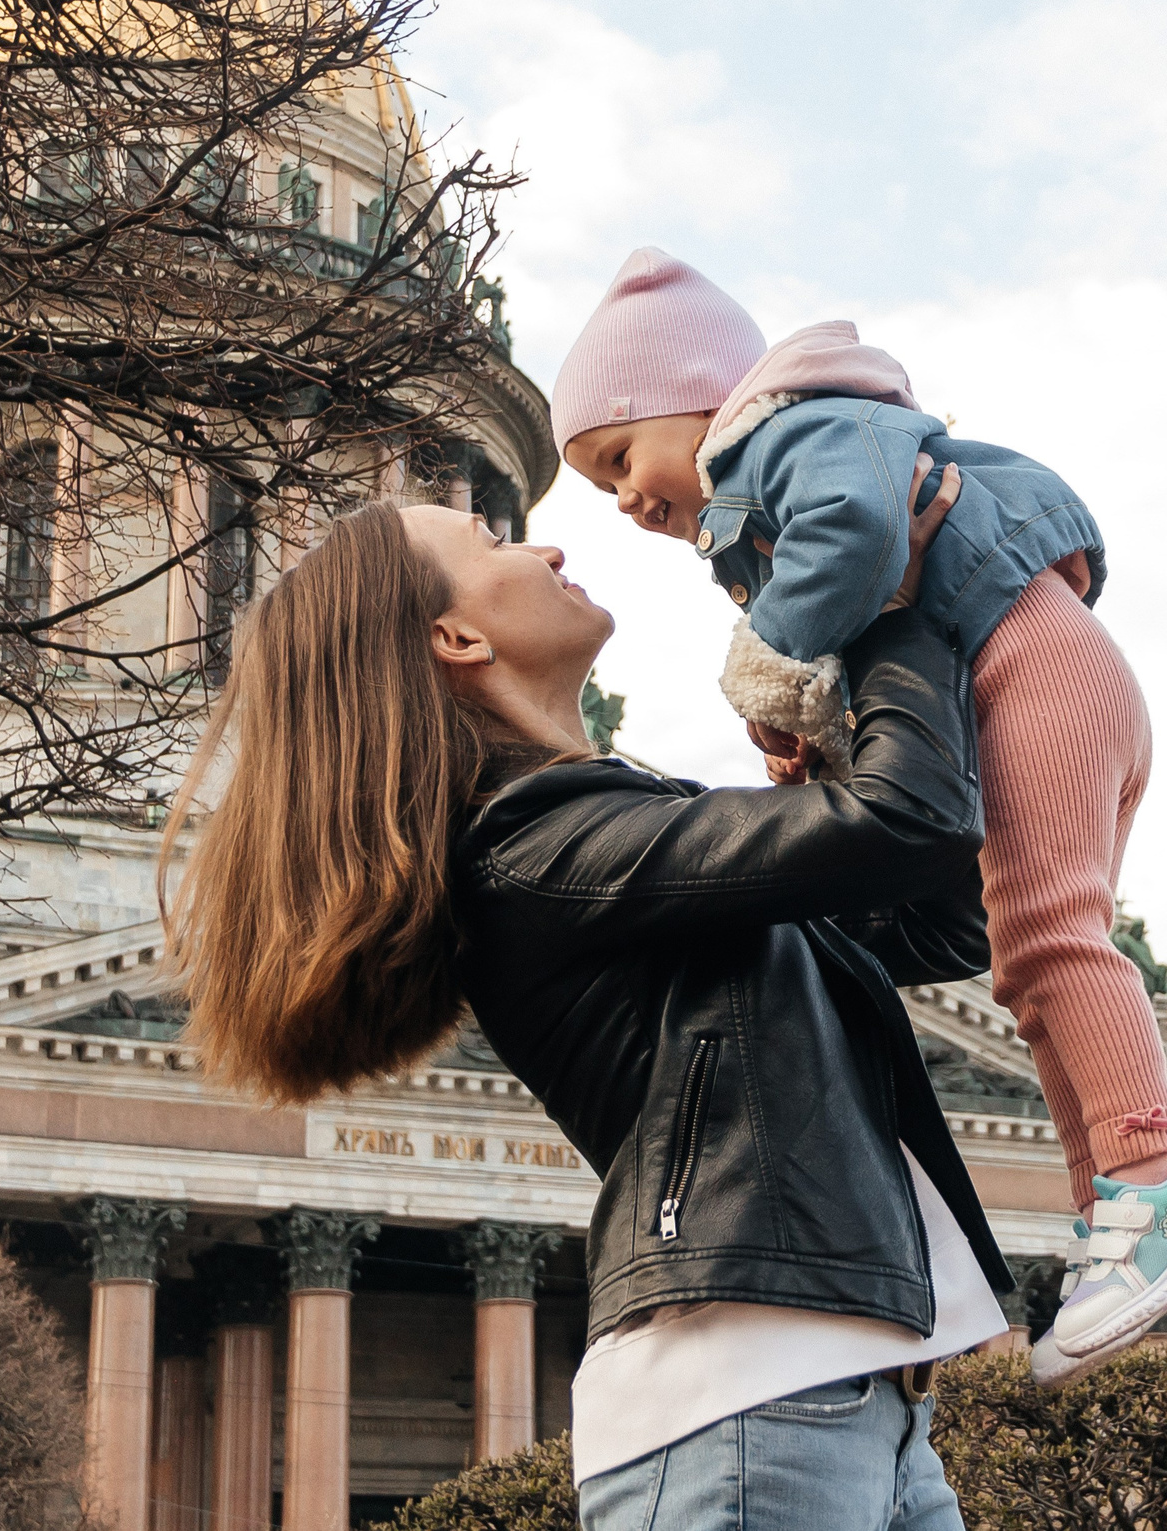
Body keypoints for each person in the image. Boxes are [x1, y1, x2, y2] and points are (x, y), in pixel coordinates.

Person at [163, 490, 1008, 1530]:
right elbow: (907, 823)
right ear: (455, 637)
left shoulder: (602, 831)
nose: (545, 541)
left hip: (848, 1403)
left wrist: (833, 774)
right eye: (493, 541)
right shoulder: (529, 850)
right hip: (748, 1408)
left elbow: (938, 929)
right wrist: (886, 600)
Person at [552, 248, 1167, 1384]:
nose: (626, 498)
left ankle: (1156, 1171)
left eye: (620, 457)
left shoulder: (793, 436)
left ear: (699, 401)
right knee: (1029, 975)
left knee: (1051, 936)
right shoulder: (768, 482)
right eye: (600, 488)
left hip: (1030, 671)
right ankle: (1114, 1216)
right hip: (1026, 677)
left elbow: (853, 530)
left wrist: (769, 663)